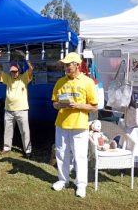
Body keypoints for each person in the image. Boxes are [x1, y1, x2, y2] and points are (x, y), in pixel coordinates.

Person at [51, 52, 98, 198]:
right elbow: (54, 103)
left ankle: (81, 184)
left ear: (77, 65)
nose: (65, 67)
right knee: (61, 153)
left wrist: (77, 105)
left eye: (68, 65)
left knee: (80, 156)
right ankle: (62, 180)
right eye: (64, 65)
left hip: (79, 125)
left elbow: (94, 107)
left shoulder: (88, 82)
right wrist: (59, 105)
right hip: (61, 124)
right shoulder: (60, 82)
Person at [0, 50, 33, 158]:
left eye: (15, 71)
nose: (13, 73)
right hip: (9, 110)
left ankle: (28, 150)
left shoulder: (24, 78)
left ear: (19, 71)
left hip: (22, 110)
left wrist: (25, 58)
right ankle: (6, 147)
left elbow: (31, 69)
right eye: (12, 71)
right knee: (8, 130)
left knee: (25, 131)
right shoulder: (8, 78)